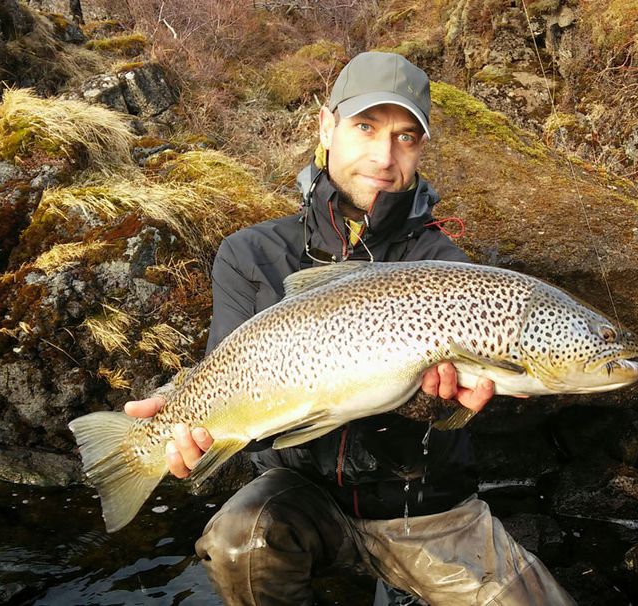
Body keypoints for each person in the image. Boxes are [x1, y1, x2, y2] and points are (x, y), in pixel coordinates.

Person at [126, 52, 575, 606]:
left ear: (421, 147)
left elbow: (505, 407)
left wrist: (432, 409)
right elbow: (229, 373)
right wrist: (181, 414)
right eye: (366, 127)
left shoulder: (444, 264)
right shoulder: (251, 253)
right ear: (326, 126)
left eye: (406, 137)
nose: (384, 156)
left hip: (427, 506)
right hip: (301, 497)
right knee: (237, 541)